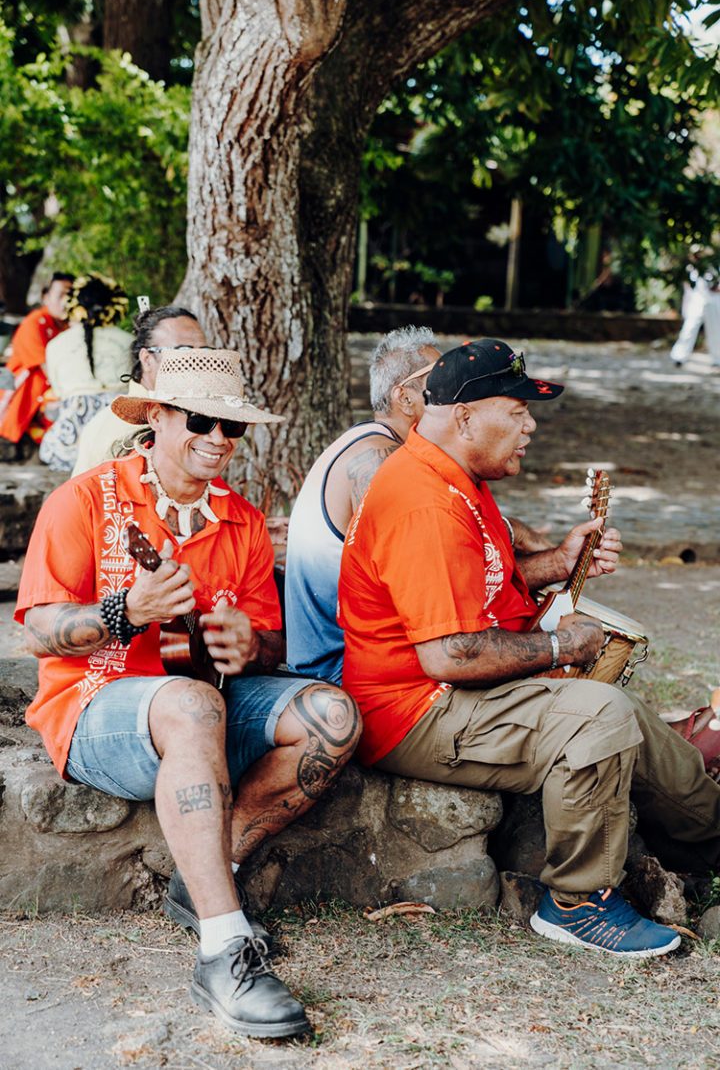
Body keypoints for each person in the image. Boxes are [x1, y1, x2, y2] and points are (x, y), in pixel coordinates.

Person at [16, 347, 361, 1038]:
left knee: (334, 714)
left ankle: (204, 873)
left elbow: (268, 644)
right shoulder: (86, 499)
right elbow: (42, 632)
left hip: (203, 703)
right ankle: (224, 947)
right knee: (189, 701)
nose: (217, 440)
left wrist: (252, 645)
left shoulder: (242, 520)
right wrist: (124, 611)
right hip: (94, 705)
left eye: (231, 428)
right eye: (201, 420)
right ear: (158, 416)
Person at [338, 337, 720, 959]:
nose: (530, 424)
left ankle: (706, 843)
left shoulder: (456, 478)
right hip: (417, 709)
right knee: (600, 715)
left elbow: (482, 587)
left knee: (637, 726)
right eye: (516, 411)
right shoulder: (422, 502)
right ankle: (577, 903)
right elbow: (450, 655)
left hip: (451, 691)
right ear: (465, 416)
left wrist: (556, 565)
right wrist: (560, 645)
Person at [285, 326, 551, 684]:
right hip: (337, 668)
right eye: (433, 382)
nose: (446, 387)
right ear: (404, 398)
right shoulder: (378, 459)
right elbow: (431, 584)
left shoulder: (401, 453)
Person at [73, 304, 207, 475]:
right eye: (183, 352)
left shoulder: (199, 416)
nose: (198, 362)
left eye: (204, 353)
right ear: (147, 359)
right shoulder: (115, 427)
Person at [39, 273, 132, 470]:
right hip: (120, 442)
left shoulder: (55, 345)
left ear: (73, 306)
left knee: (49, 446)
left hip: (72, 446)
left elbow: (59, 391)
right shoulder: (129, 343)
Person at [0, 272, 74, 445]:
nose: (66, 301)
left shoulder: (64, 325)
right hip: (28, 392)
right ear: (46, 297)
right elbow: (46, 367)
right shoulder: (34, 322)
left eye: (70, 296)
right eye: (61, 295)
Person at [670, 254, 720, 367]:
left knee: (715, 330)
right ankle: (679, 356)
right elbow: (688, 286)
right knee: (689, 327)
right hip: (697, 298)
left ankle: (717, 358)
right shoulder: (692, 267)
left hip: (713, 298)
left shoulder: (714, 264)